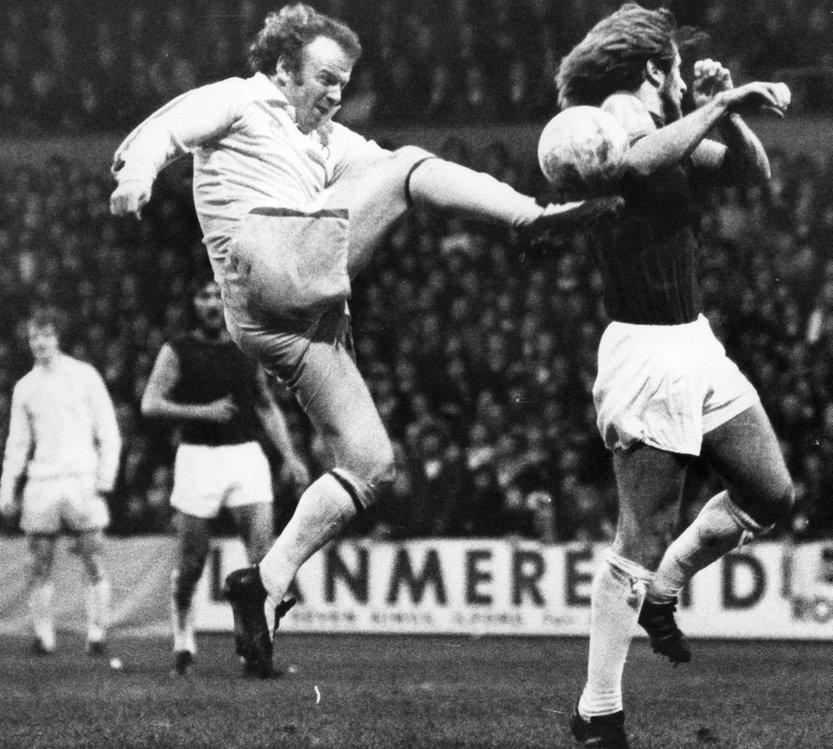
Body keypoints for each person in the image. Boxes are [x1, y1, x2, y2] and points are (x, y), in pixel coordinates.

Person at [109, 3, 621, 677]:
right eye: (325, 77)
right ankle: (532, 219)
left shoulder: (328, 139)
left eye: (344, 82)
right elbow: (164, 130)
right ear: (284, 67)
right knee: (406, 162)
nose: (336, 92)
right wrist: (136, 175)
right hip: (267, 260)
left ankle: (264, 582)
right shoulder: (241, 100)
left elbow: (417, 180)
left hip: (290, 320)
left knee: (372, 461)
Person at [553, 6, 796, 747]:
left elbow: (756, 177)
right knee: (643, 528)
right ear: (653, 66)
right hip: (646, 349)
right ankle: (598, 709)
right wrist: (716, 103)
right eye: (679, 67)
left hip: (695, 340)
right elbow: (627, 166)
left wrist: (718, 111)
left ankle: (666, 586)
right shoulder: (606, 121)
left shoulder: (672, 121)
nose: (687, 75)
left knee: (769, 490)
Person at [141, 279, 310, 676]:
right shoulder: (178, 349)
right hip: (198, 458)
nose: (213, 303)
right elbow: (150, 403)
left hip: (245, 455)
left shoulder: (245, 347)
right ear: (195, 304)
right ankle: (183, 637)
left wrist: (290, 456)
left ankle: (256, 649)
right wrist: (204, 411)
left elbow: (266, 406)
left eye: (218, 295)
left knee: (262, 557)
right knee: (194, 561)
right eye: (204, 296)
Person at [0, 308, 121, 656]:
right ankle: (44, 636)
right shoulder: (25, 388)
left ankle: (97, 634)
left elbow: (108, 429)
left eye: (47, 335)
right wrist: (8, 487)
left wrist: (105, 476)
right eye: (34, 336)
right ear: (28, 342)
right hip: (43, 482)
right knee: (38, 562)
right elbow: (18, 444)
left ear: (58, 337)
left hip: (82, 479)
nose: (40, 342)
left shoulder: (85, 375)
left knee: (93, 557)